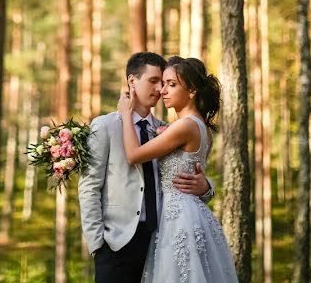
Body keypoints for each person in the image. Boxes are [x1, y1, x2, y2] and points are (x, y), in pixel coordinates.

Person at [78, 52, 215, 283]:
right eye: (154, 81)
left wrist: (206, 188)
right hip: (116, 244)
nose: (160, 89)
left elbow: (187, 172)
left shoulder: (167, 129)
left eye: (165, 83)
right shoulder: (106, 126)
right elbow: (89, 186)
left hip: (162, 240)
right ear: (132, 81)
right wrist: (97, 243)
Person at [118, 56, 238, 283]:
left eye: (171, 84)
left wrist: (126, 113)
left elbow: (133, 155)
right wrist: (207, 187)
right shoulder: (200, 127)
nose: (163, 90)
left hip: (178, 217)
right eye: (163, 83)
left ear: (192, 90)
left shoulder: (185, 126)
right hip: (192, 212)